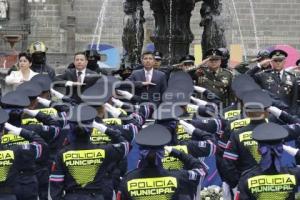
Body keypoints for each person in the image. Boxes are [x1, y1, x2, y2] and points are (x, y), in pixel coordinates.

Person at [50, 105, 131, 200]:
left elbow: (56, 184)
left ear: (71, 129)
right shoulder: (104, 151)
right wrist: (103, 128)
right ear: (92, 130)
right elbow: (125, 145)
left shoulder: (62, 154)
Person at [117, 124, 207, 200]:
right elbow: (202, 171)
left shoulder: (128, 179)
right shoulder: (179, 177)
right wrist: (178, 153)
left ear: (141, 153)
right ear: (163, 154)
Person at [236, 123, 300, 200]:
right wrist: (295, 152)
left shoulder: (246, 179)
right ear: (281, 150)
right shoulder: (295, 174)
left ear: (259, 151)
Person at [247, 49, 298, 114]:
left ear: (285, 61)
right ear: (271, 61)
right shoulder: (263, 75)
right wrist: (259, 65)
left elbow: (294, 100)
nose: (278, 63)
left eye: (280, 60)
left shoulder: (292, 77)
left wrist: (293, 115)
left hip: (286, 114)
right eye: (275, 60)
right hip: (268, 113)